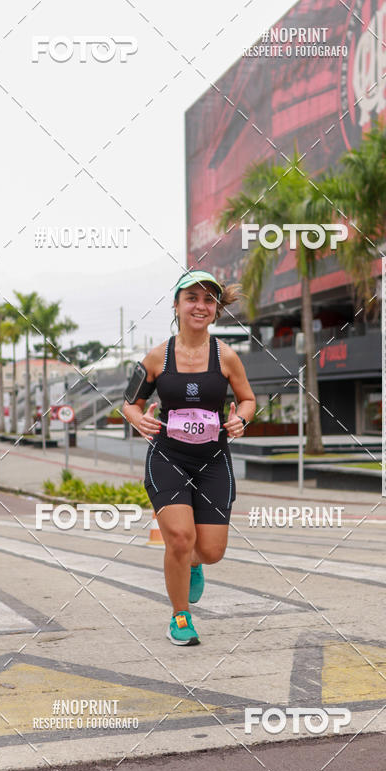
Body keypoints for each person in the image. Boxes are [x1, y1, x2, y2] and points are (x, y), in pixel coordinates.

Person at [122, 269, 256, 646]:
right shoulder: (156, 357)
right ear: (177, 305)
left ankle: (195, 564)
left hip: (214, 461)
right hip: (168, 457)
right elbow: (131, 403)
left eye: (208, 300)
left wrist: (240, 418)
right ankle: (180, 617)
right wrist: (138, 419)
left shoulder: (227, 357)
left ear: (215, 310)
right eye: (192, 298)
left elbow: (247, 399)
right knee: (180, 539)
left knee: (210, 551)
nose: (200, 306)